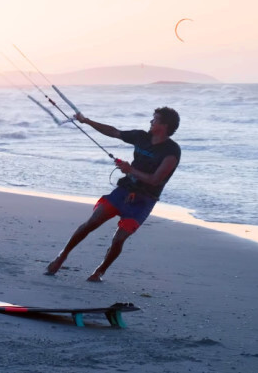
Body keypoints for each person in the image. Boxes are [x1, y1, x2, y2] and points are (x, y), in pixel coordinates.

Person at [44, 107, 182, 282]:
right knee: (91, 222)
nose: (151, 121)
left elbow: (155, 180)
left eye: (154, 119)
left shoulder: (171, 151)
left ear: (164, 125)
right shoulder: (141, 136)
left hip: (144, 200)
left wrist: (130, 169)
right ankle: (62, 256)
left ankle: (99, 272)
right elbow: (114, 132)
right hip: (124, 190)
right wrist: (87, 121)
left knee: (119, 239)